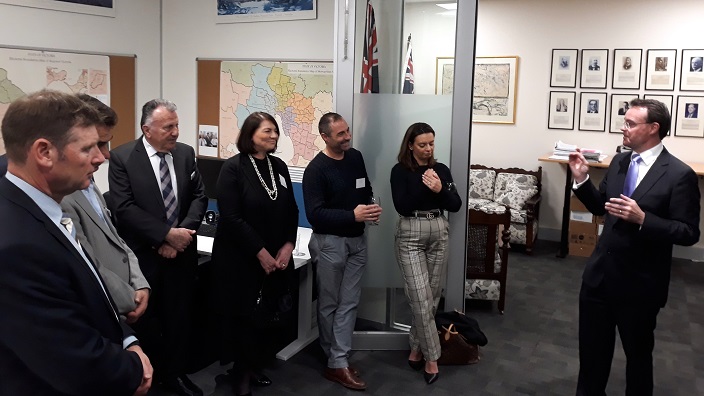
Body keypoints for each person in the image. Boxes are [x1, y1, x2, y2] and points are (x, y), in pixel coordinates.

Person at [0, 90, 152, 395]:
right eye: (88, 148)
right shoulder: (17, 246)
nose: (101, 157)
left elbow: (86, 285)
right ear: (44, 153)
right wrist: (134, 369)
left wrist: (125, 338)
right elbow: (72, 359)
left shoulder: (43, 206)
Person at [568, 98, 700, 395]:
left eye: (630, 123)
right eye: (624, 122)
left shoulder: (679, 175)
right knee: (591, 360)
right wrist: (582, 180)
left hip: (640, 287)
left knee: (638, 361)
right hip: (599, 279)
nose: (622, 128)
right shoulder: (620, 162)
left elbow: (689, 232)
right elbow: (603, 207)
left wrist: (644, 219)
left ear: (653, 128)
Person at [109, 99, 207, 396]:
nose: (176, 132)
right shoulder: (122, 157)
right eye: (169, 127)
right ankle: (147, 378)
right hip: (144, 258)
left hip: (182, 254)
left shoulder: (186, 154)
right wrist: (165, 236)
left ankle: (175, 375)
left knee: (179, 319)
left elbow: (199, 197)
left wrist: (182, 236)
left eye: (177, 125)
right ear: (146, 129)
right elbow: (123, 208)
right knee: (147, 323)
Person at [211, 112, 298, 396]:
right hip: (240, 259)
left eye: (275, 132)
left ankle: (252, 365)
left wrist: (287, 245)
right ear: (250, 136)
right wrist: (261, 252)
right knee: (242, 318)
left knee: (265, 316)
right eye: (267, 132)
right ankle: (240, 375)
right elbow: (232, 218)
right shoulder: (233, 168)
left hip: (275, 258)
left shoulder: (279, 166)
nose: (273, 136)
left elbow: (291, 211)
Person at [302, 112, 381, 391]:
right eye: (340, 134)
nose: (347, 137)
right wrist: (352, 215)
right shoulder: (315, 170)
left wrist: (370, 209)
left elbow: (365, 188)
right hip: (329, 243)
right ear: (325, 137)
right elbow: (315, 215)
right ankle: (335, 359)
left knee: (349, 303)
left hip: (357, 242)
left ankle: (338, 360)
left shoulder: (356, 157)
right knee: (329, 305)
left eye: (347, 131)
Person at [61, 94, 150, 322]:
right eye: (95, 145)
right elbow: (89, 263)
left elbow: (117, 241)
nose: (106, 155)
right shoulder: (60, 197)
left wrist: (140, 283)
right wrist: (130, 298)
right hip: (99, 310)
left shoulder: (88, 182)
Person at [390, 122, 462, 385]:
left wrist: (440, 189)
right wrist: (427, 186)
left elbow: (455, 203)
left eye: (432, 143)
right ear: (410, 145)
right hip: (410, 233)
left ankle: (417, 346)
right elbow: (402, 206)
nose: (428, 148)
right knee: (420, 299)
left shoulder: (441, 170)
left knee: (431, 298)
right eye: (422, 144)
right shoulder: (400, 171)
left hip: (438, 230)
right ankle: (433, 357)